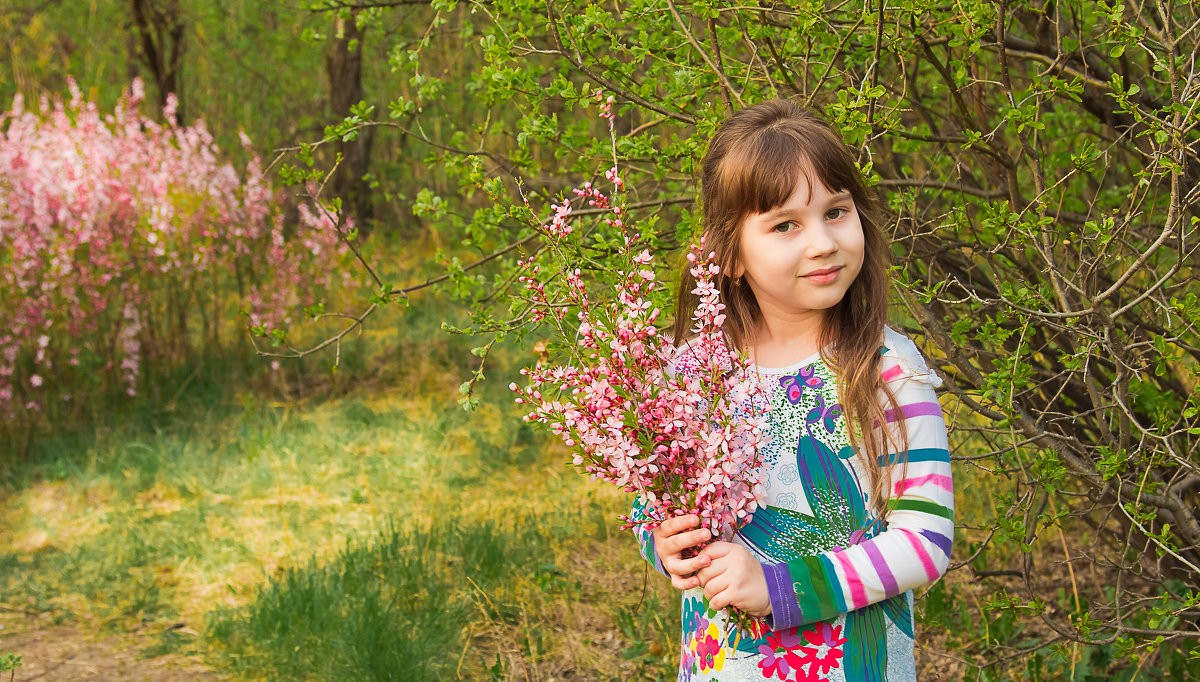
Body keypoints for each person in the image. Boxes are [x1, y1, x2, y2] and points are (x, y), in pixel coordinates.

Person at [630, 99, 954, 681]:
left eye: (836, 212)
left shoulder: (884, 369)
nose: (822, 243)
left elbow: (926, 538)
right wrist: (662, 541)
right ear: (728, 253)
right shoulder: (694, 373)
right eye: (785, 225)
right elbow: (653, 498)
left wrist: (781, 587)